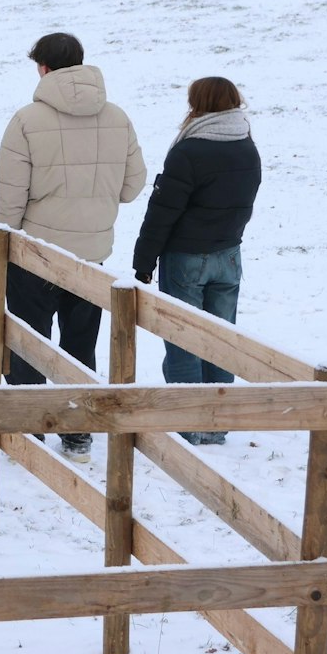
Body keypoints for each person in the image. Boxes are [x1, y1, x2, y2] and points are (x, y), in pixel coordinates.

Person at [0, 32, 145, 463]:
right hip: (91, 254)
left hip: (36, 252)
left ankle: (29, 431)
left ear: (42, 68)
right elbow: (133, 186)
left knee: (28, 341)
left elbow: (10, 196)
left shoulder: (27, 120)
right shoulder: (117, 117)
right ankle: (78, 435)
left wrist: (10, 237)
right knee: (80, 343)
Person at [130, 77, 261, 446]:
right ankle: (216, 424)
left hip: (186, 258)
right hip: (229, 255)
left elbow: (162, 212)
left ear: (198, 104)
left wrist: (144, 261)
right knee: (221, 340)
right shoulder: (247, 145)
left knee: (183, 339)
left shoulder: (188, 151)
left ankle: (188, 424)